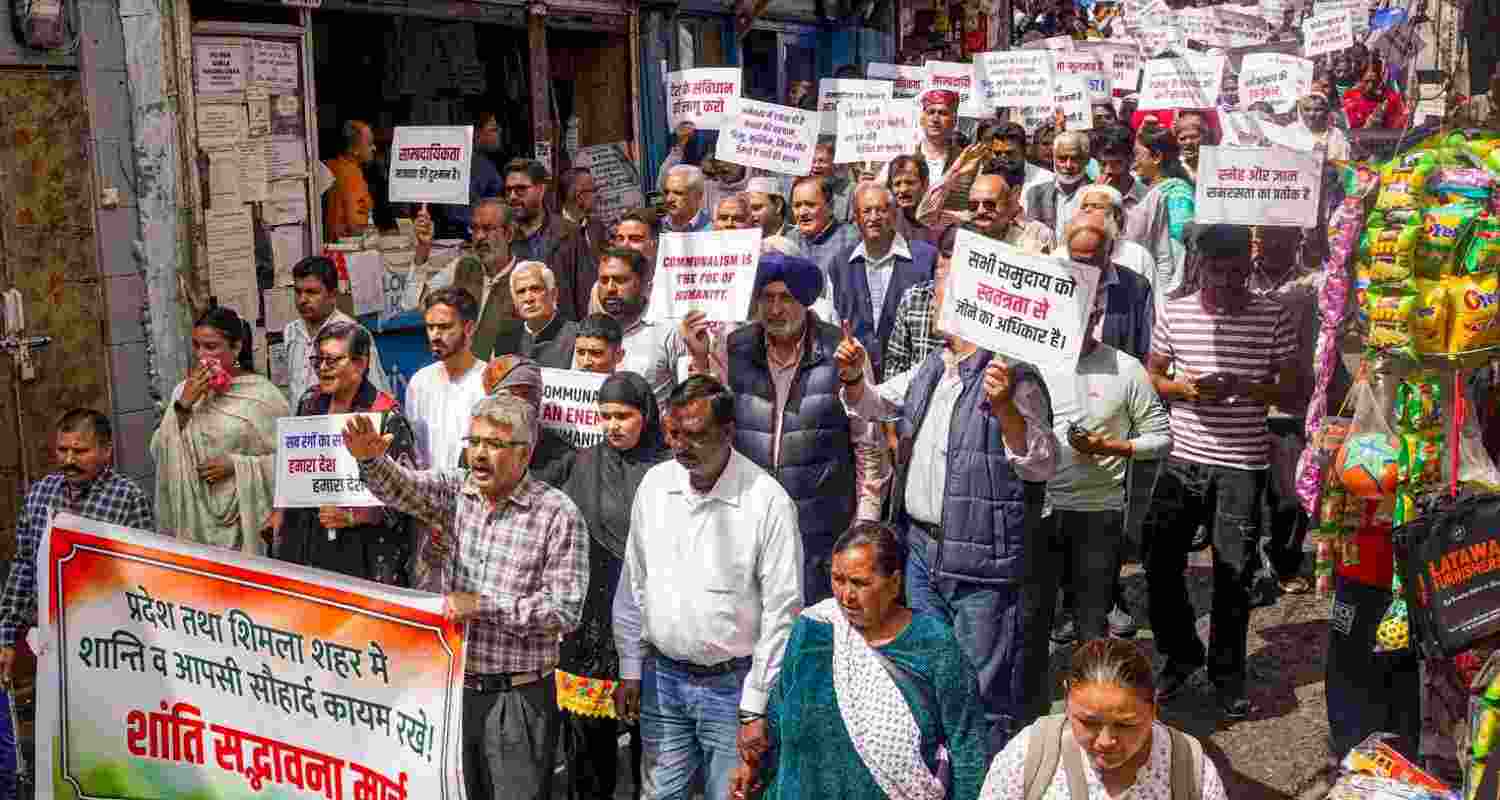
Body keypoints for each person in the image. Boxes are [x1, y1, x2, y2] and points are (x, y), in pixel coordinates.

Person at [837, 302, 1058, 755]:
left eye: (943, 285)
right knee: (927, 677)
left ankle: (983, 780)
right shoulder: (934, 366)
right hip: (921, 552)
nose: (931, 298)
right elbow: (875, 404)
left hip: (981, 563)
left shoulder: (1015, 374)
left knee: (980, 692)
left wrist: (1004, 407)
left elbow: (1041, 463)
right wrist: (856, 376)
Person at [342, 394, 587, 800]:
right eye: (473, 442)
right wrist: (370, 460)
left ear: (525, 454)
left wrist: (484, 605)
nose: (479, 454)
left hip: (518, 699)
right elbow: (402, 487)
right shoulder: (456, 491)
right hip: (453, 692)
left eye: (494, 444)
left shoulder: (557, 514)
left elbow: (564, 610)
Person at [612, 375, 804, 800]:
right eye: (674, 434)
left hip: (732, 690)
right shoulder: (656, 486)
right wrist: (630, 665)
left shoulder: (767, 502)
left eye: (696, 436)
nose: (682, 446)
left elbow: (782, 614)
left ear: (728, 432)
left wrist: (755, 704)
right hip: (662, 681)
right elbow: (634, 581)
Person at [1143, 223, 1297, 719]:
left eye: (1236, 274)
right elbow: (1154, 374)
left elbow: (1295, 388)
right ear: (1200, 268)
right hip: (1182, 456)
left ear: (1247, 269)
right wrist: (1185, 390)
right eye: (1216, 273)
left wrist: (1246, 388)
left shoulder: (1274, 314)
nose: (1227, 284)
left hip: (1242, 463)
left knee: (1234, 575)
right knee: (1159, 561)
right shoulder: (1176, 312)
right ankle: (1181, 652)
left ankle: (1227, 677)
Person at [729, 522, 992, 800]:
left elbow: (967, 745)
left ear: (894, 583)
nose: (846, 596)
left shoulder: (934, 645)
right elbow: (779, 714)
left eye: (860, 583)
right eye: (838, 580)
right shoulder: (813, 628)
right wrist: (751, 765)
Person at [680, 253, 888, 603]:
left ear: (805, 302)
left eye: (786, 298)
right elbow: (707, 422)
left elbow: (868, 445)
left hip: (820, 531)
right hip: (750, 522)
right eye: (767, 298)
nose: (775, 310)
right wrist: (700, 359)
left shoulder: (843, 352)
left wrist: (864, 525)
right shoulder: (734, 348)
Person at [1029, 291, 1170, 666]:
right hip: (1038, 509)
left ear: (1099, 315)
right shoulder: (1031, 362)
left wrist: (1111, 447)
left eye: (1086, 315)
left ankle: (1091, 696)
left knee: (1091, 619)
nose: (1075, 325)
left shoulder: (1126, 369)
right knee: (1032, 616)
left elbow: (1160, 436)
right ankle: (1035, 703)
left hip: (1098, 512)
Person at [559, 372, 668, 800]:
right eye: (604, 416)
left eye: (623, 415)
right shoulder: (582, 463)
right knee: (588, 743)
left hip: (648, 616)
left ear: (646, 414)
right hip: (591, 622)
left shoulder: (666, 469)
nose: (613, 425)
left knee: (652, 739)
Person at [0, 409, 153, 680]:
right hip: (48, 642)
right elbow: (24, 566)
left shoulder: (128, 498)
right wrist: (7, 637)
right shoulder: (40, 494)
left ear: (106, 451)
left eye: (80, 451)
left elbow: (144, 581)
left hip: (106, 647)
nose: (68, 460)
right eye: (62, 450)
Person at [979, 639, 1229, 799]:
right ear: (1067, 701)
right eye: (1088, 723)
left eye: (1125, 725)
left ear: (1153, 709)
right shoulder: (1029, 755)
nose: (1106, 741)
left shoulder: (1191, 769)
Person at [272, 322, 417, 585]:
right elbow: (292, 471)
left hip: (365, 555)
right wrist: (280, 513)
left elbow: (407, 496)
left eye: (333, 361)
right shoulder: (309, 403)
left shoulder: (385, 417)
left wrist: (354, 515)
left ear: (360, 364)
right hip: (310, 545)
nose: (323, 369)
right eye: (318, 360)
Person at [153, 306, 289, 553]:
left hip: (244, 526)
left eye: (211, 346)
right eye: (197, 346)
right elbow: (160, 451)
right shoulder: (182, 392)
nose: (202, 356)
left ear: (236, 348)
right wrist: (184, 405)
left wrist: (237, 465)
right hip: (193, 524)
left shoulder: (263, 397)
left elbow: (291, 463)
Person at [831, 183, 939, 381]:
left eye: (881, 210)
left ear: (895, 214)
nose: (874, 218)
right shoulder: (840, 264)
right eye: (866, 211)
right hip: (856, 382)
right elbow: (832, 322)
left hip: (912, 381)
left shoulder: (926, 258)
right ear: (856, 218)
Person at [405, 199, 525, 360]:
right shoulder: (464, 266)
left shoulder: (525, 278)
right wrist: (422, 249)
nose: (480, 236)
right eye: (474, 229)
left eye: (488, 229)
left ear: (508, 234)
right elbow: (412, 304)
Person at [594, 247, 695, 401]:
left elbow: (689, 394)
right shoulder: (590, 329)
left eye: (620, 280)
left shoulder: (669, 331)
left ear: (644, 284)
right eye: (604, 280)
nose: (610, 289)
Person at [283, 256, 388, 403]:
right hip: (301, 422)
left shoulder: (354, 334)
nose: (302, 300)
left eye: (311, 292)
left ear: (332, 295)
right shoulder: (291, 332)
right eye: (298, 292)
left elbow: (378, 395)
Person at [406, 288, 489, 471]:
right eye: (430, 327)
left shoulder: (487, 381)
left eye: (444, 327)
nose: (435, 335)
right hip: (426, 492)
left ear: (468, 328)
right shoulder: (419, 383)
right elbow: (415, 450)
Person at [1064, 215, 1155, 364]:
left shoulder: (1137, 289)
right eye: (1078, 261)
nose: (1086, 268)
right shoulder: (1055, 282)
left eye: (1092, 260)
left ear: (1110, 248)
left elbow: (1146, 351)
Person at [506, 158, 588, 322]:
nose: (513, 196)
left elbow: (584, 293)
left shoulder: (568, 233)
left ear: (541, 189)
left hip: (561, 335)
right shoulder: (503, 237)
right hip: (516, 339)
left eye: (521, 189)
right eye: (508, 190)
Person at [1092, 125, 1173, 284]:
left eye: (1116, 163)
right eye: (1103, 164)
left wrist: (1160, 298)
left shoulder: (1152, 198)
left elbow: (1163, 255)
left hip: (1137, 287)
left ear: (1131, 160)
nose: (1108, 170)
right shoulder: (1087, 197)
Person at [481, 355, 576, 488]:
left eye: (527, 394)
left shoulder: (564, 457)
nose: (519, 402)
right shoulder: (477, 446)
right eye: (508, 395)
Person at [884, 223, 959, 379]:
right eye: (944, 255)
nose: (946, 264)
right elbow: (896, 363)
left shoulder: (981, 310)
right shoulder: (915, 298)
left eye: (954, 257)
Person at [1133, 125, 1196, 297]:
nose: (1134, 161)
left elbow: (1177, 246)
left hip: (1164, 286)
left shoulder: (1178, 193)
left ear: (1156, 158)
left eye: (1138, 155)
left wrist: (1165, 291)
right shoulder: (1140, 188)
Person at [787, 177, 861, 308]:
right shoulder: (789, 241)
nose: (802, 212)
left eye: (810, 205)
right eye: (797, 206)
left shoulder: (851, 239)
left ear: (830, 205)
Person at [437, 111, 506, 239]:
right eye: (493, 129)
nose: (499, 132)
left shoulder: (480, 162)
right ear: (476, 133)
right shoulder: (477, 166)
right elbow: (461, 213)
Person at [1074, 185, 1156, 289]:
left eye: (1096, 206)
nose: (1087, 210)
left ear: (1116, 216)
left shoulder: (1138, 255)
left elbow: (1152, 301)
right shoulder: (1062, 254)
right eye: (1084, 206)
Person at [1023, 131, 1092, 243]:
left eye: (1074, 159)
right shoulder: (1036, 193)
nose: (1068, 165)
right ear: (1054, 158)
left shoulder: (1098, 194)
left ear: (1086, 159)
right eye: (1062, 159)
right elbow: (1032, 240)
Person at [968, 171, 1054, 254]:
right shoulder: (959, 232)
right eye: (973, 205)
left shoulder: (1037, 236)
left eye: (989, 204)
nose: (980, 211)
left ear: (1008, 203)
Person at [512, 261, 578, 369]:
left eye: (535, 289)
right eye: (521, 291)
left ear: (553, 294)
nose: (528, 298)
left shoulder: (576, 336)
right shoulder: (504, 340)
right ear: (514, 301)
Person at [324, 120, 374, 241]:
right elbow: (355, 224)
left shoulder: (331, 167)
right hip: (348, 248)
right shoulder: (351, 174)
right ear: (354, 149)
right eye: (369, 143)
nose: (374, 148)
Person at [991, 123, 1053, 217]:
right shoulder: (985, 179)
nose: (1002, 158)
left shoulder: (1047, 180)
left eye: (1009, 153)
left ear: (1024, 150)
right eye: (997, 153)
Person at [1344, 57, 1407, 130]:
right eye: (1367, 81)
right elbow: (1349, 132)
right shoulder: (1350, 97)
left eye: (1375, 81)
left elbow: (1399, 128)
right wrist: (1368, 125)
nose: (1371, 86)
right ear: (1360, 81)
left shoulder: (1392, 98)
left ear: (1381, 80)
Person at [1293, 90, 1352, 162]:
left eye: (1318, 110)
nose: (1312, 114)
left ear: (1326, 111)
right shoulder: (1291, 133)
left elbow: (1342, 164)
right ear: (1300, 111)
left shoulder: (1336, 134)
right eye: (1307, 109)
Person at [887, 155, 933, 244]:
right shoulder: (886, 221)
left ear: (925, 183)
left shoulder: (944, 221)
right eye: (897, 184)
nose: (903, 189)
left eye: (910, 183)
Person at [810, 136, 854, 221]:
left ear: (834, 164)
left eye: (821, 161)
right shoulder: (805, 189)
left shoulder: (850, 190)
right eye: (813, 161)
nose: (816, 166)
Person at [661, 162, 712, 233]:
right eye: (666, 192)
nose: (669, 199)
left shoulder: (712, 229)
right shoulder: (656, 227)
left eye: (678, 193)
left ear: (698, 196)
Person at [1172, 110, 1214, 183]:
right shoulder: (1172, 169)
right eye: (1182, 138)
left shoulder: (1217, 164)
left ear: (1205, 137)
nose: (1188, 142)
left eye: (1194, 137)